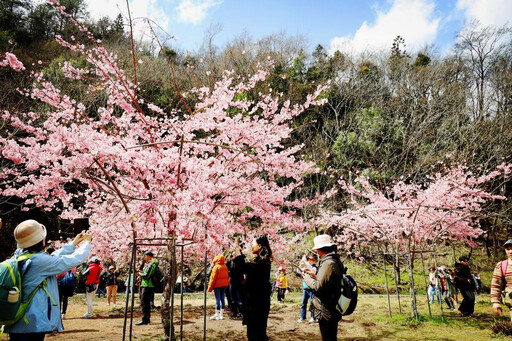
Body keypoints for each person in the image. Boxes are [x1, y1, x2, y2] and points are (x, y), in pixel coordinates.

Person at [6, 219, 91, 341]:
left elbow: (51, 257)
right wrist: (87, 243)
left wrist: (73, 244)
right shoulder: (39, 261)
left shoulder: (20, 255)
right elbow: (73, 260)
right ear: (41, 240)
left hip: (18, 319)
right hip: (31, 322)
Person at [303, 234, 343, 341]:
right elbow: (327, 282)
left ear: (320, 249)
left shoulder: (328, 263)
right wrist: (315, 276)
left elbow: (319, 286)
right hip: (331, 307)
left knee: (328, 337)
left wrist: (306, 278)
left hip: (326, 309)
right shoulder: (334, 261)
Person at [233, 235, 272, 341]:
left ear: (259, 246)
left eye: (253, 244)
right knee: (254, 333)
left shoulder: (262, 262)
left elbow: (243, 268)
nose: (251, 246)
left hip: (257, 304)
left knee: (257, 334)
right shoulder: (261, 261)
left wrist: (238, 256)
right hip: (255, 303)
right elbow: (245, 268)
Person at [491, 239, 512, 319]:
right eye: (508, 249)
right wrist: (495, 302)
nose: (510, 251)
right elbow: (496, 285)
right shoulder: (501, 265)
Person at [136, 251, 158, 325]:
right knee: (146, 303)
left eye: (145, 256)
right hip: (147, 284)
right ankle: (146, 319)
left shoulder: (152, 264)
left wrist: (140, 274)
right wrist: (141, 271)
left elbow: (147, 275)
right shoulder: (150, 263)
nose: (144, 257)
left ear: (148, 256)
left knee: (144, 303)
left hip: (148, 285)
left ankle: (145, 319)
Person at [207, 254, 230, 320]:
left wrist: (209, 288)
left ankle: (217, 314)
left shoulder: (216, 267)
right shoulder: (225, 267)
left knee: (217, 299)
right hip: (224, 285)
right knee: (222, 298)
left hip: (217, 286)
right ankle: (221, 314)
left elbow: (213, 278)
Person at [298, 255, 317, 323]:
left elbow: (311, 270)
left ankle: (313, 317)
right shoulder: (305, 268)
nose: (309, 261)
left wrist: (305, 263)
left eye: (311, 260)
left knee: (312, 304)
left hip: (311, 288)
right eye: (308, 260)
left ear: (313, 261)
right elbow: (299, 271)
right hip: (305, 288)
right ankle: (303, 317)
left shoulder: (314, 268)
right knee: (303, 304)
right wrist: (301, 265)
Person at [227, 251, 245, 319]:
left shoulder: (239, 263)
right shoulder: (231, 263)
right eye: (232, 256)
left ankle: (240, 312)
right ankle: (234, 312)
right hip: (233, 283)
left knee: (239, 299)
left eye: (233, 255)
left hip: (238, 283)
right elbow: (227, 266)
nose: (232, 257)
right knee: (233, 299)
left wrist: (241, 253)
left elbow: (243, 258)